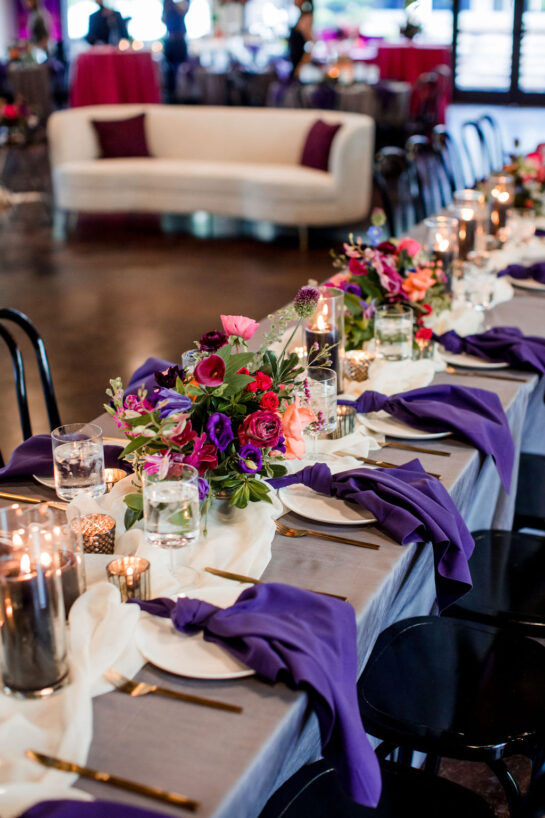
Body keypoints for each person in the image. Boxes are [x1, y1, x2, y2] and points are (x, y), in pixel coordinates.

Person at [162, 0, 190, 103]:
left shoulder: (182, 4)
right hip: (170, 41)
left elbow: (184, 9)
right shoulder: (167, 3)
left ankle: (182, 96)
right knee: (169, 72)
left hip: (179, 41)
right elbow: (163, 19)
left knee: (182, 70)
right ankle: (172, 96)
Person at [288, 0, 314, 78]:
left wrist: (302, 65)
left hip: (300, 67)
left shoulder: (306, 18)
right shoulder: (301, 16)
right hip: (296, 64)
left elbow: (310, 44)